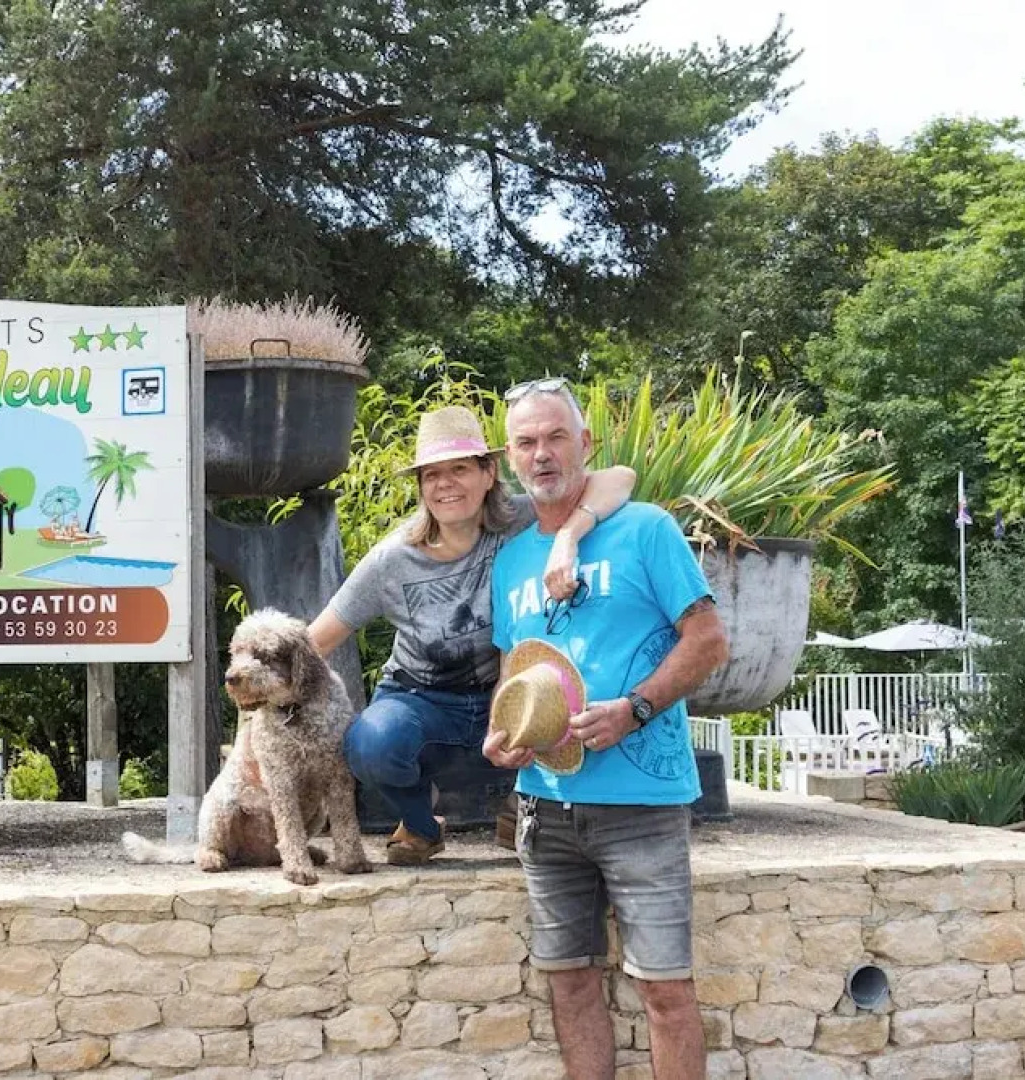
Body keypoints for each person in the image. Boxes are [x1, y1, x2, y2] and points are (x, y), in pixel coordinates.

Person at [484, 377, 729, 1080]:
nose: (541, 454)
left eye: (555, 437)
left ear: (585, 443)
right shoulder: (511, 561)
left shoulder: (645, 528)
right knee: (568, 982)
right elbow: (513, 670)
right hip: (543, 806)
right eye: (526, 442)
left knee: (665, 991)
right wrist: (501, 735)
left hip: (642, 808)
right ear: (509, 457)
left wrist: (636, 709)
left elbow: (708, 641)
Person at [307, 402, 636, 865]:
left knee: (567, 685)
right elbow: (310, 644)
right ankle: (422, 827)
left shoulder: (523, 520)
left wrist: (568, 535)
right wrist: (259, 731)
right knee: (371, 744)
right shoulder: (392, 561)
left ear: (488, 473)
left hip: (506, 693)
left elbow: (619, 478)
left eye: (459, 469)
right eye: (432, 475)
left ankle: (520, 805)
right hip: (422, 703)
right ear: (421, 487)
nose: (445, 484)